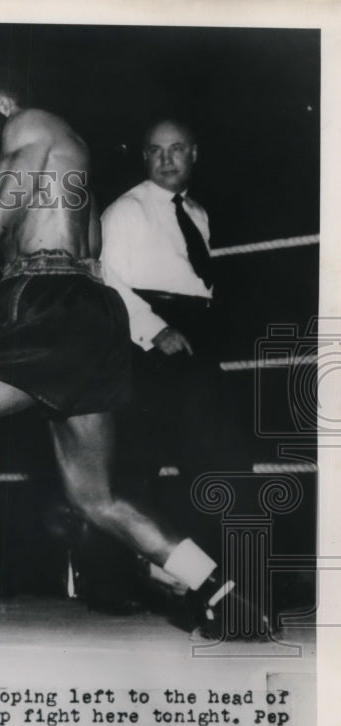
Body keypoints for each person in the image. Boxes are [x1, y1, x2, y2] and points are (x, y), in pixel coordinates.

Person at [0, 71, 265, 646]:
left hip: (46, 303)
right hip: (89, 316)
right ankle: (225, 597)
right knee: (97, 498)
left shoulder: (32, 122)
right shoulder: (53, 159)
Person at [101, 119, 249, 496]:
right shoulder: (126, 210)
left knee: (214, 454)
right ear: (144, 157)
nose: (166, 159)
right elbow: (104, 278)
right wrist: (155, 330)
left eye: (176, 148)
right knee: (141, 460)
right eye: (156, 150)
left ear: (194, 154)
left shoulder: (197, 212)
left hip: (196, 333)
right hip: (150, 340)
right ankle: (139, 553)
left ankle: (207, 549)